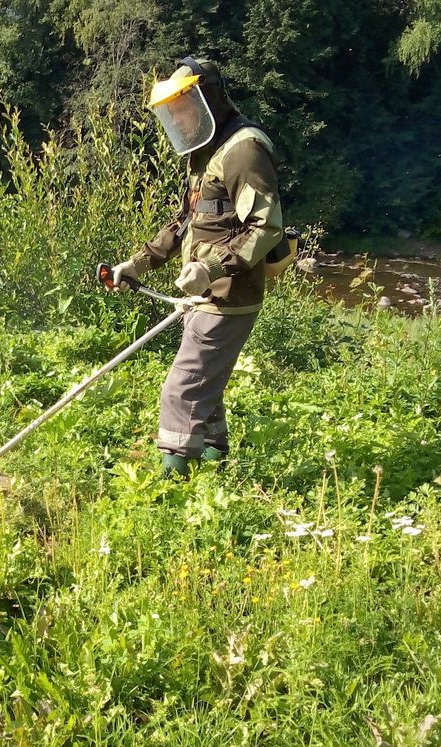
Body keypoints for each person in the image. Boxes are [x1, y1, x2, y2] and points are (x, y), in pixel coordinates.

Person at [111, 56, 284, 477]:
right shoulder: (207, 151)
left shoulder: (243, 149)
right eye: (171, 112)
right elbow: (189, 221)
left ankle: (171, 485)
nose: (177, 118)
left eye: (181, 107)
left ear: (206, 99)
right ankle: (212, 464)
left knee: (182, 389)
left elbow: (267, 227)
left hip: (228, 295)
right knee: (204, 387)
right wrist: (139, 263)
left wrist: (211, 269)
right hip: (205, 295)